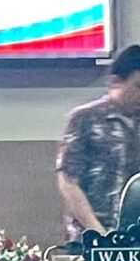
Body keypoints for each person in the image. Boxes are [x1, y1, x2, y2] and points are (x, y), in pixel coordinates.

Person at [56, 44, 140, 242]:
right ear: (116, 82)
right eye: (138, 86)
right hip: (91, 238)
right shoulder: (85, 119)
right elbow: (68, 182)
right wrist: (100, 233)